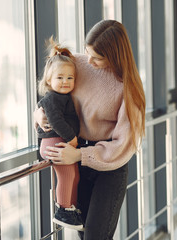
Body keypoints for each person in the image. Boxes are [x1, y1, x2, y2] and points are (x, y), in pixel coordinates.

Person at [34, 19, 145, 239]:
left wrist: (79, 154)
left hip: (109, 167)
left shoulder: (128, 87)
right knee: (82, 233)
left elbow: (124, 145)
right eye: (87, 52)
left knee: (96, 235)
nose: (89, 61)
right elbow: (50, 93)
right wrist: (37, 114)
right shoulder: (77, 63)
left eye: (97, 57)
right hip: (74, 159)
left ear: (114, 56)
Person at [36, 37, 83, 230]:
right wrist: (72, 138)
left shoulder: (63, 97)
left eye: (69, 78)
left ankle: (70, 207)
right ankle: (63, 209)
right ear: (49, 80)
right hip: (54, 143)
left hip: (59, 142)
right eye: (60, 78)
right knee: (66, 175)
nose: (65, 82)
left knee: (74, 175)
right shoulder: (51, 98)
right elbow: (56, 121)